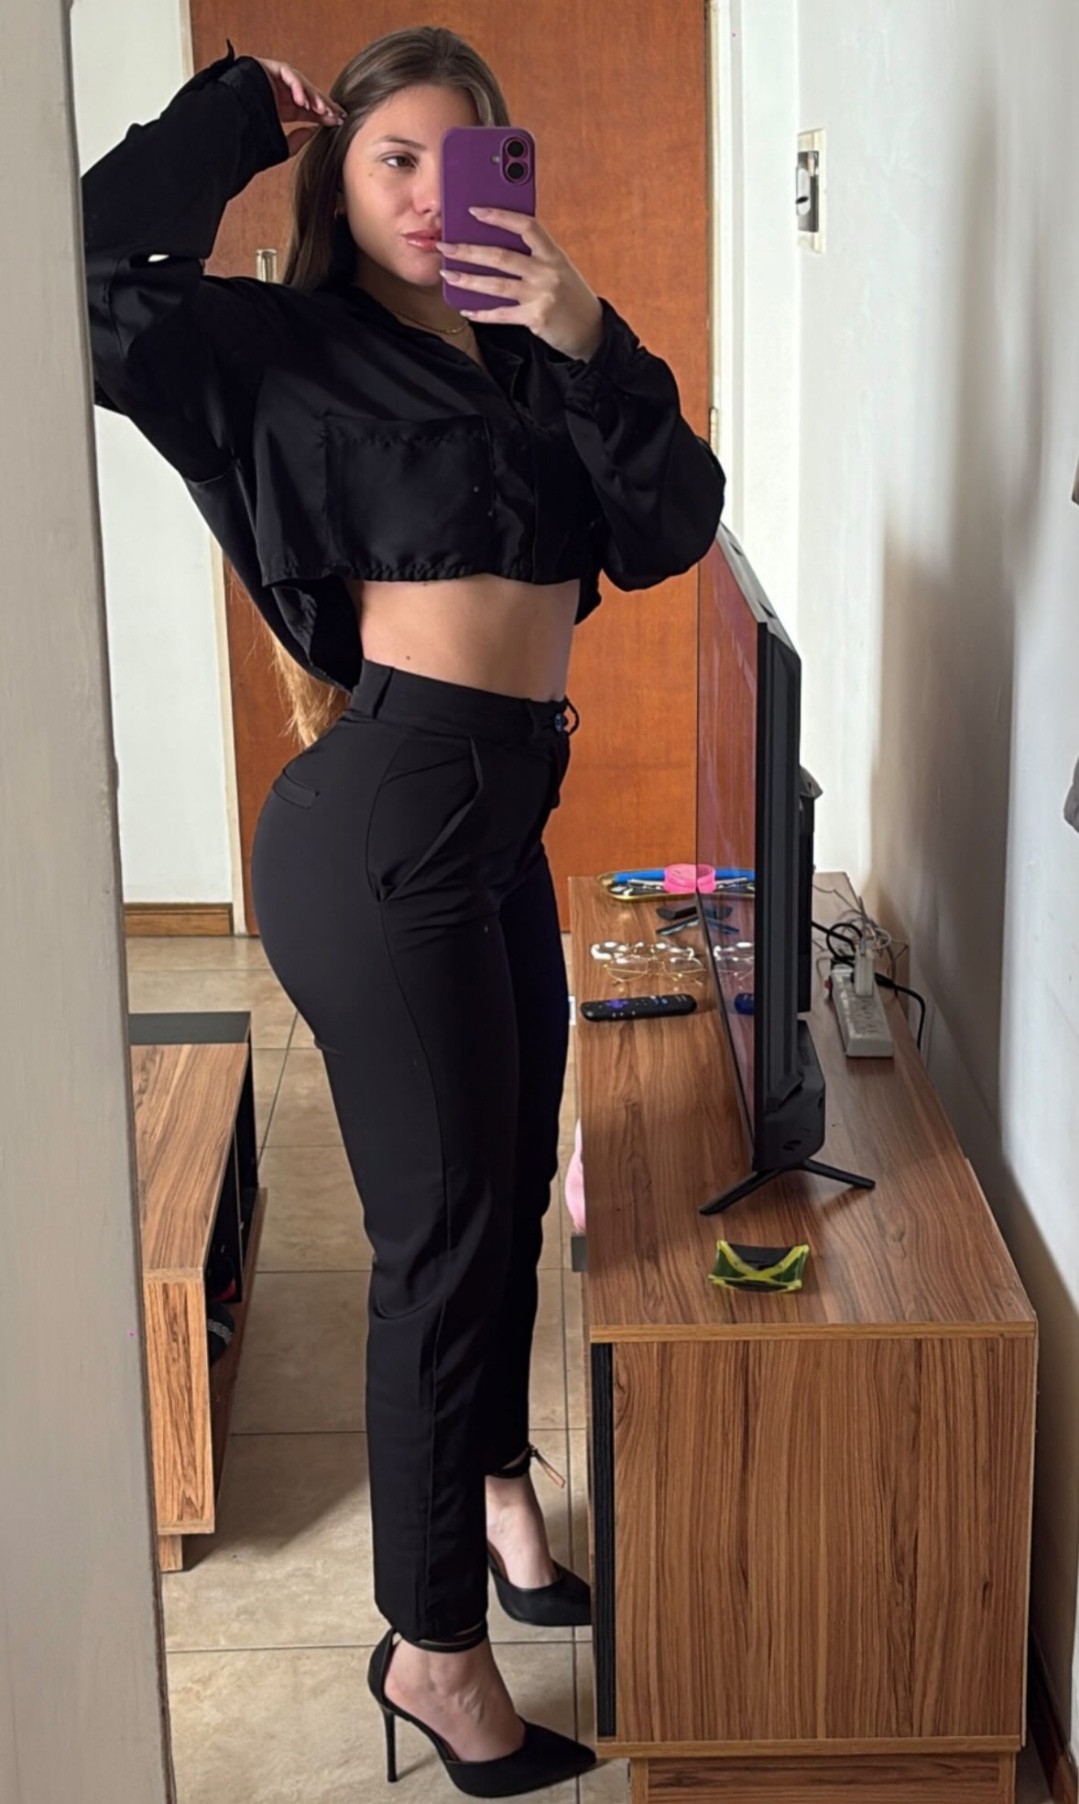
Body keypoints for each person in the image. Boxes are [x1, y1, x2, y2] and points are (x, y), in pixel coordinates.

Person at [82, 24, 725, 1796]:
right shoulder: (276, 347)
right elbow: (77, 274)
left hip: (497, 826)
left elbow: (672, 524)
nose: (435, 195)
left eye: (465, 160)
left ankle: (499, 1494)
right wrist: (229, 114)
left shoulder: (536, 356)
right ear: (340, 188)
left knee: (504, 1191)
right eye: (394, 161)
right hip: (385, 829)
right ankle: (431, 1652)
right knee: (438, 1245)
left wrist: (588, 334)